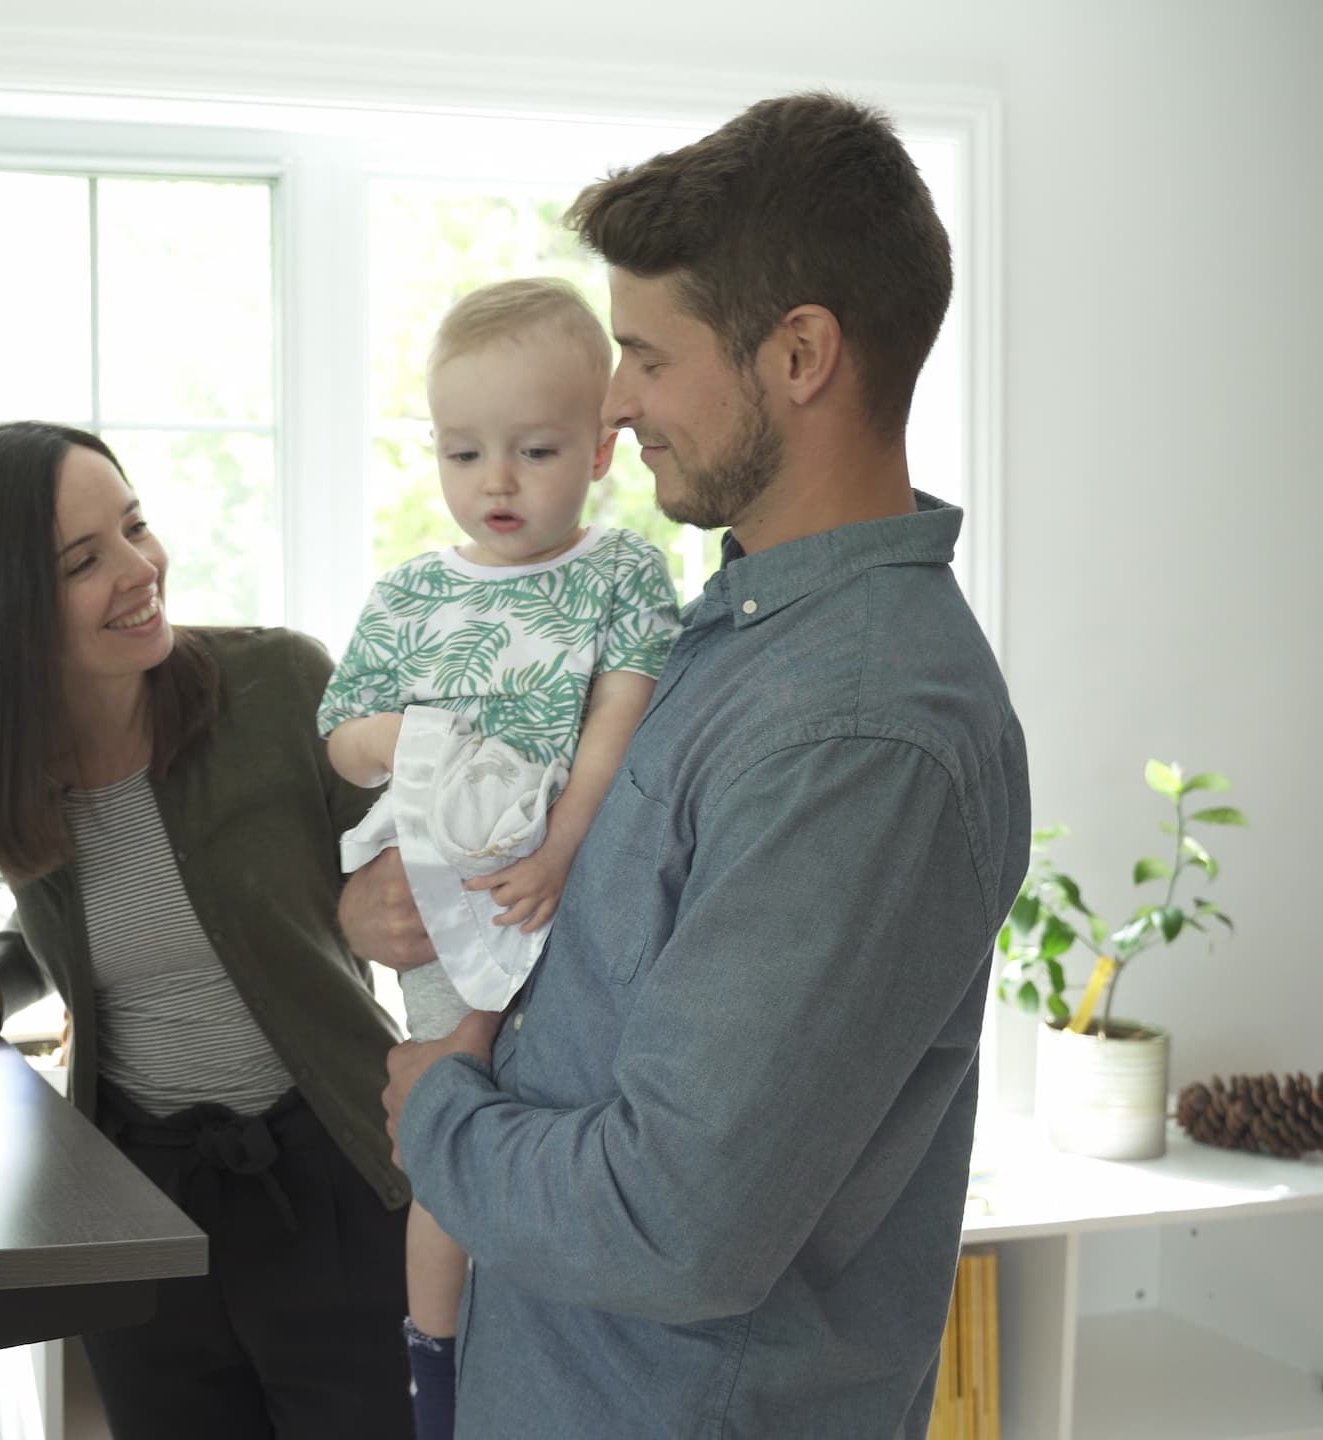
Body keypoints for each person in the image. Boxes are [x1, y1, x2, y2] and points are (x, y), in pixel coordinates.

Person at [357, 92, 1031, 1437]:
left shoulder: (860, 734)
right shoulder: (728, 641)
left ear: (800, 355)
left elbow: (669, 1226)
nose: (614, 403)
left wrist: (439, 1110)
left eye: (648, 359)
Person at [0, 420, 413, 1436]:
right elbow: (81, 919)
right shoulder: (10, 768)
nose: (141, 570)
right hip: (137, 1197)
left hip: (333, 1177)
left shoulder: (279, 689)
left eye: (134, 527)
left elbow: (423, 882)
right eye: (85, 561)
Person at [316, 276, 679, 1439]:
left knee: (549, 1120)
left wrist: (562, 855)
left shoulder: (617, 575)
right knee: (450, 1111)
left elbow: (613, 738)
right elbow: (345, 738)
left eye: (533, 448)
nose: (498, 482)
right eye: (464, 452)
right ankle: (432, 1363)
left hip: (562, 870)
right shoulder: (415, 592)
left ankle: (533, 1358)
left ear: (601, 445)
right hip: (436, 868)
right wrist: (425, 737)